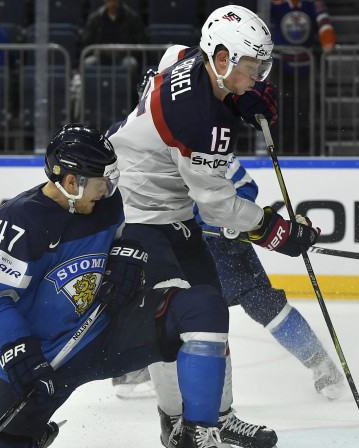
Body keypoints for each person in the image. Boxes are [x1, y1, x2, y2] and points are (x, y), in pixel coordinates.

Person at [106, 5, 320, 447]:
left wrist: (240, 95)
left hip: (172, 211)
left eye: (263, 65)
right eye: (251, 66)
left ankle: (219, 415)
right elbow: (221, 207)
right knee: (167, 324)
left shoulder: (193, 61)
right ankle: (175, 422)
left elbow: (171, 54)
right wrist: (279, 232)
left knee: (211, 314)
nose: (259, 76)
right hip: (139, 214)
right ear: (220, 58)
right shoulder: (202, 122)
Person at [0, 124, 232, 448]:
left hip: (109, 332)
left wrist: (127, 254)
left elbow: (130, 232)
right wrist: (17, 350)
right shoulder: (18, 222)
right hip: (44, 358)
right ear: (72, 182)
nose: (107, 189)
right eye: (101, 181)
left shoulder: (105, 202)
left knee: (202, 306)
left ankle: (197, 434)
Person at [111, 156, 345, 402]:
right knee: (160, 304)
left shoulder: (202, 139)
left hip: (219, 245)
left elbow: (245, 185)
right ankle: (135, 371)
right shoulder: (134, 138)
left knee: (261, 300)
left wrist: (222, 216)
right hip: (165, 241)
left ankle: (319, 362)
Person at [268, 0, 336, 154]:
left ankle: (302, 150)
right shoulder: (277, 3)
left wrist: (328, 39)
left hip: (305, 66)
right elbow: (262, 20)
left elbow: (323, 20)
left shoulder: (312, 3)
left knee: (304, 110)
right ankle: (278, 148)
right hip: (280, 65)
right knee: (278, 108)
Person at [80, 0, 146, 70]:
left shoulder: (132, 18)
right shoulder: (96, 18)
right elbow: (87, 42)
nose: (111, 3)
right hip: (101, 57)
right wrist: (95, 51)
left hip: (124, 56)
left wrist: (127, 51)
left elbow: (140, 43)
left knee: (130, 63)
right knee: (88, 63)